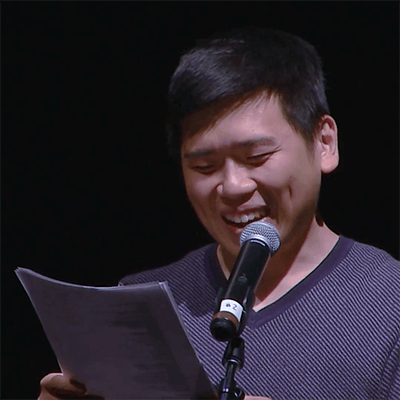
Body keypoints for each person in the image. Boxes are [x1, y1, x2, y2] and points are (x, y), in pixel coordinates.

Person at [38, 28, 400, 400]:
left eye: (256, 157)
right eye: (205, 166)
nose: (233, 186)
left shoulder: (389, 301)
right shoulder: (139, 307)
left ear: (324, 143)